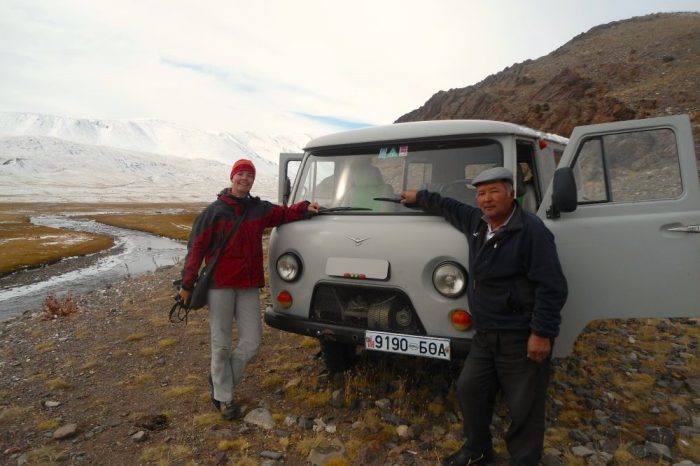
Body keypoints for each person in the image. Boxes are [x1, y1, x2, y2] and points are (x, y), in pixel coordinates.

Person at [401, 167, 567, 466]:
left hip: (520, 334)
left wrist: (542, 333)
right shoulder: (478, 224)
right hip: (486, 333)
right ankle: (478, 450)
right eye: (481, 193)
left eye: (494, 191)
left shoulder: (531, 231)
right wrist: (419, 197)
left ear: (511, 194)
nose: (487, 199)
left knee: (524, 406)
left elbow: (552, 286)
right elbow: (450, 207)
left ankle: (524, 460)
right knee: (470, 389)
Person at [179, 159, 320, 420]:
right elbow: (196, 248)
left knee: (252, 342)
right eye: (241, 174)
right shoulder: (214, 212)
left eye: (249, 175)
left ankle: (220, 379)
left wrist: (304, 208)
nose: (245, 179)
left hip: (247, 285)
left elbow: (284, 214)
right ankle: (224, 397)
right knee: (220, 345)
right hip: (220, 286)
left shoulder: (258, 209)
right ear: (232, 177)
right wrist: (187, 284)